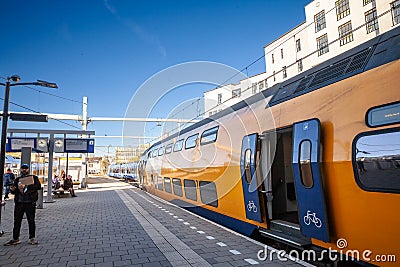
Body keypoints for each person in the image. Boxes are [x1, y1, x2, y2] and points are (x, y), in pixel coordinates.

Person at [4, 164, 41, 246]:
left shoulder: (34, 178)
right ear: (20, 169)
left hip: (30, 203)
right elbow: (15, 191)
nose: (24, 170)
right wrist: (12, 190)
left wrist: (27, 186)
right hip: (19, 203)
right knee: (17, 221)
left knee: (31, 220)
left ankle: (32, 238)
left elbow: (38, 186)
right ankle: (15, 238)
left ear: (28, 169)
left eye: (26, 168)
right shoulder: (17, 179)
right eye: (23, 168)